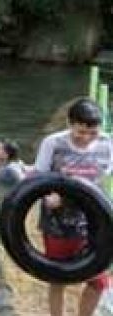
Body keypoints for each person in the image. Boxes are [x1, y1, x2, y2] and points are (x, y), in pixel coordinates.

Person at [32, 98, 113, 316]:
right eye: (80, 132)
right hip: (60, 219)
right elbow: (38, 179)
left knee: (99, 281)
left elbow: (105, 178)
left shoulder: (108, 144)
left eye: (92, 132)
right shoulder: (53, 143)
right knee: (59, 276)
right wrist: (50, 195)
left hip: (95, 218)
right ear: (69, 123)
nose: (85, 138)